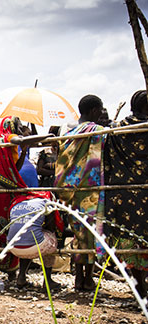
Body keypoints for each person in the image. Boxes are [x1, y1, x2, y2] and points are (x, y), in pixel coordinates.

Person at [0, 116, 51, 280]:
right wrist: (46, 138)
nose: (20, 129)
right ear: (11, 127)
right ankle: (8, 269)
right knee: (8, 228)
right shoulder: (6, 138)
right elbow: (20, 138)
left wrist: (25, 149)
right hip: (3, 193)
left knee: (4, 229)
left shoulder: (4, 144)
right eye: (19, 126)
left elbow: (16, 167)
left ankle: (9, 269)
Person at [55, 94, 105, 291]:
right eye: (100, 110)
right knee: (91, 233)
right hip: (90, 188)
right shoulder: (97, 130)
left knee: (77, 233)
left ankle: (78, 279)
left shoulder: (68, 131)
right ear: (94, 110)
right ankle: (88, 279)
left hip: (71, 189)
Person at [104, 90, 148, 297]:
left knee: (129, 237)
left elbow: (106, 162)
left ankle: (139, 287)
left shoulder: (115, 129)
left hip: (121, 192)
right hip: (145, 191)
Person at [7, 192, 64, 290]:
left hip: (12, 246)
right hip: (31, 247)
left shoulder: (17, 203)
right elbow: (51, 227)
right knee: (50, 239)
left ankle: (21, 276)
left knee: (27, 235)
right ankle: (47, 280)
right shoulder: (46, 202)